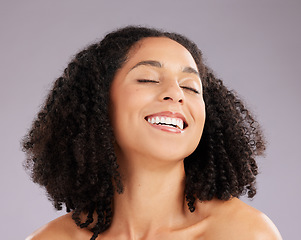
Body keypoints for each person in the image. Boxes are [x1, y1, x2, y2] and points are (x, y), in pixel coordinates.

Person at [22, 26, 282, 240]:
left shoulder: (243, 233)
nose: (176, 93)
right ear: (99, 104)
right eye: (148, 79)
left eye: (191, 87)